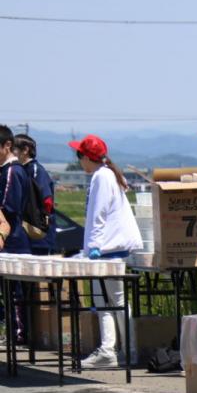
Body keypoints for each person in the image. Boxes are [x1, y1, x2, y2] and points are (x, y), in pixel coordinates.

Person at [70, 134, 143, 368]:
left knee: (111, 302)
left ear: (86, 157)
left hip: (107, 250)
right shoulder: (107, 174)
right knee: (111, 301)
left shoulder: (102, 177)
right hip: (110, 248)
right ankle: (116, 349)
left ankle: (117, 349)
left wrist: (92, 247)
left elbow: (97, 216)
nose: (79, 161)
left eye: (80, 156)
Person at [0, 125, 34, 344]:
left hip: (12, 240)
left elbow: (7, 207)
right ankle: (12, 330)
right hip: (9, 238)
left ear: (7, 146)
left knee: (15, 293)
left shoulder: (12, 171)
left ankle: (19, 333)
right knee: (10, 292)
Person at [14, 133, 56, 255]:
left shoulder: (36, 170)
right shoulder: (20, 169)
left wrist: (39, 220)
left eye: (14, 149)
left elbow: (46, 200)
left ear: (25, 150)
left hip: (39, 234)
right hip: (26, 233)